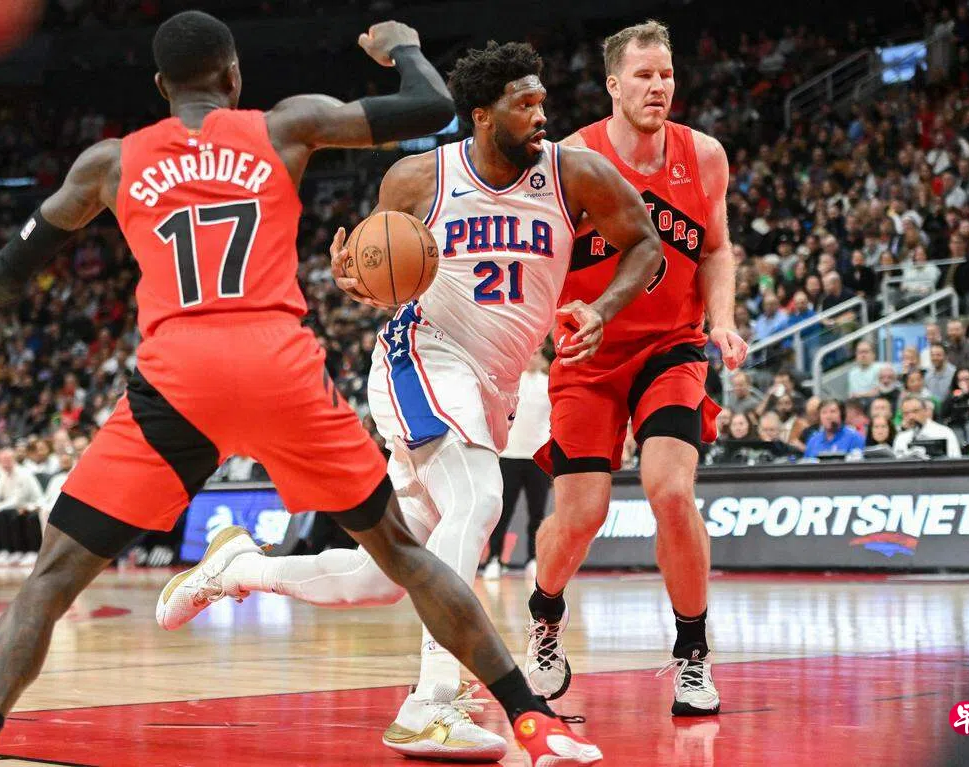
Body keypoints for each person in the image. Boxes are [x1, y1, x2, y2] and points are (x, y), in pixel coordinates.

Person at [0, 14, 600, 767]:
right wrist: (403, 48)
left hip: (175, 384)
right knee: (406, 556)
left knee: (50, 580)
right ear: (234, 76)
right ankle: (531, 719)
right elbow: (431, 108)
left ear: (161, 86)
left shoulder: (109, 163)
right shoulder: (285, 127)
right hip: (280, 374)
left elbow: (27, 249)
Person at [156, 38, 663, 761]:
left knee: (378, 577)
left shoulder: (574, 172)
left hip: (490, 388)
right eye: (525, 104)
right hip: (422, 357)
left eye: (542, 101)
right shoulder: (420, 176)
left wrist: (603, 308)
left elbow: (644, 245)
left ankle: (235, 568)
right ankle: (432, 702)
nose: (541, 115)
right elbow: (379, 272)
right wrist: (356, 279)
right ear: (482, 115)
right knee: (479, 499)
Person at [528, 20, 748, 716]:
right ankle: (545, 614)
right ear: (613, 85)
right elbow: (537, 259)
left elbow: (716, 249)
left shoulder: (703, 155)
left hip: (671, 347)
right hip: (589, 353)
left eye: (667, 75)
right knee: (580, 515)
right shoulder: (569, 159)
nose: (658, 87)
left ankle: (692, 652)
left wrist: (722, 321)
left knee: (671, 491)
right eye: (644, 75)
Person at [484, 349, 553, 581]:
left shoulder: (548, 384)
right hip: (510, 456)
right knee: (503, 512)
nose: (533, 357)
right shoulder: (511, 383)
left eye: (537, 353)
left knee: (537, 514)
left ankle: (533, 559)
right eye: (530, 353)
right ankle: (494, 559)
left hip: (537, 459)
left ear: (541, 356)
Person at [893, 395, 962, 457]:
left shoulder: (944, 432)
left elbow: (955, 460)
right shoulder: (900, 437)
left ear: (925, 411)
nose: (911, 416)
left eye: (915, 411)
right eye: (906, 413)